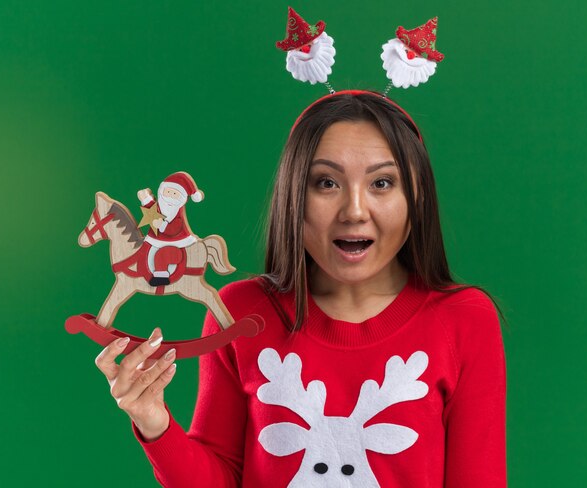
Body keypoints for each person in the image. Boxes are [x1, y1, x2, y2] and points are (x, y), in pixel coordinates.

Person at [95, 90, 508, 487]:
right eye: (326, 183)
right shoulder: (241, 312)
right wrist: (154, 422)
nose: (354, 211)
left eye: (382, 183)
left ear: (417, 198)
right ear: (294, 195)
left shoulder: (464, 319)